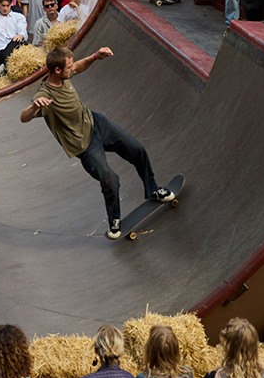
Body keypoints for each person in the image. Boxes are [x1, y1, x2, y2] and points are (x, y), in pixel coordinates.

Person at [22, 46, 173, 240]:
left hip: (97, 123)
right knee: (110, 180)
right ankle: (115, 221)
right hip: (84, 145)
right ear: (57, 70)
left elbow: (78, 66)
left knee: (137, 150)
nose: (71, 69)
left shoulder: (65, 76)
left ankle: (152, 189)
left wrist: (95, 57)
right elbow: (23, 118)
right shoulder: (45, 94)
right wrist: (35, 106)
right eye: (68, 67)